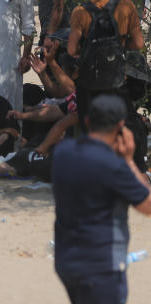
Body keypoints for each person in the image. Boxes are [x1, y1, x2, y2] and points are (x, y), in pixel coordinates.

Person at [51, 94, 151, 302]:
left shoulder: (63, 153)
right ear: (121, 126)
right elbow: (147, 206)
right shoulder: (115, 167)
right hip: (101, 265)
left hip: (66, 259)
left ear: (87, 121)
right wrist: (129, 161)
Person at [67, 0, 144, 120]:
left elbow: (71, 50)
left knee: (89, 128)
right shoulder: (127, 7)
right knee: (116, 125)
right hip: (116, 79)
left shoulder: (80, 11)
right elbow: (138, 43)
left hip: (89, 82)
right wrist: (120, 43)